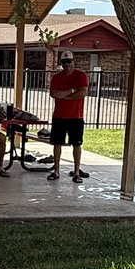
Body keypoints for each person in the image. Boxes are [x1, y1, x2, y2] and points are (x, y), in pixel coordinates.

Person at [47, 51, 90, 182]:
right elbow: (54, 93)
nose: (67, 65)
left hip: (75, 116)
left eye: (69, 62)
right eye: (64, 63)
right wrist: (71, 91)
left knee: (76, 144)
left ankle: (77, 172)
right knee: (57, 143)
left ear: (73, 61)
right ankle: (56, 171)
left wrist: (64, 96)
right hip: (59, 116)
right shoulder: (56, 78)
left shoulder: (81, 75)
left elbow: (82, 93)